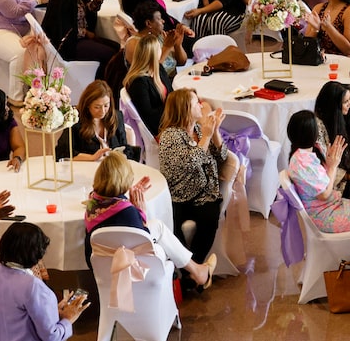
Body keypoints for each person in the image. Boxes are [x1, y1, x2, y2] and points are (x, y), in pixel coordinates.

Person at [83, 150, 217, 290]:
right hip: (130, 265)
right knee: (160, 234)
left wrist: (128, 200)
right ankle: (196, 272)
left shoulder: (92, 203)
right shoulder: (128, 212)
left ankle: (196, 271)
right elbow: (143, 240)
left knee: (158, 227)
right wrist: (141, 211)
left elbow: (114, 217)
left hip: (102, 266)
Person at [158, 88, 227, 263]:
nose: (201, 105)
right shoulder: (170, 136)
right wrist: (207, 137)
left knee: (210, 219)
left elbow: (222, 157)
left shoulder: (199, 128)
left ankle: (193, 270)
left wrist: (216, 132)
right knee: (170, 225)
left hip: (204, 194)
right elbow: (191, 162)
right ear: (185, 108)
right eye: (196, 102)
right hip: (177, 194)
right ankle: (187, 271)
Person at [0, 222, 90, 341]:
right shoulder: (32, 286)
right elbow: (52, 336)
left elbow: (13, 315)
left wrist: (51, 311)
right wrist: (68, 319)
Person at [287, 110, 350, 232]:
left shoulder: (306, 154)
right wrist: (333, 167)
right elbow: (324, 194)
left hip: (331, 205)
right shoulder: (302, 163)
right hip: (324, 214)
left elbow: (325, 182)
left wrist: (330, 164)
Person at [41, 0, 118, 72]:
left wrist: (96, 2)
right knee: (111, 54)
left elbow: (83, 11)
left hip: (78, 38)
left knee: (116, 47)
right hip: (70, 45)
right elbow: (61, 29)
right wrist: (85, 33)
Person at [56, 80, 138, 162]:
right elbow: (62, 153)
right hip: (87, 169)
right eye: (97, 107)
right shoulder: (75, 119)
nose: (102, 111)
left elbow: (124, 147)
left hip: (113, 168)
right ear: (87, 105)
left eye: (106, 105)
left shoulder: (117, 117)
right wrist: (92, 157)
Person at [123, 35, 174, 137]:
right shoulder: (138, 83)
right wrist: (173, 106)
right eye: (159, 48)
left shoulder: (158, 69)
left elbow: (171, 94)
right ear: (153, 54)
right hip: (161, 129)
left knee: (203, 108)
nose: (161, 50)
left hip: (172, 117)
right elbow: (149, 117)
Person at [124, 1, 188, 77]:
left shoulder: (160, 36)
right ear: (148, 23)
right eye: (159, 19)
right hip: (153, 87)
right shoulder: (134, 43)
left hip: (171, 82)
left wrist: (178, 45)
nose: (163, 21)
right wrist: (166, 48)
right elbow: (149, 73)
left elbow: (182, 62)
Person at [0, 88, 25, 172]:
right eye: (4, 105)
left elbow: (19, 147)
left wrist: (17, 158)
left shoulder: (8, 120)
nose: (8, 109)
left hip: (3, 169)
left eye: (7, 104)